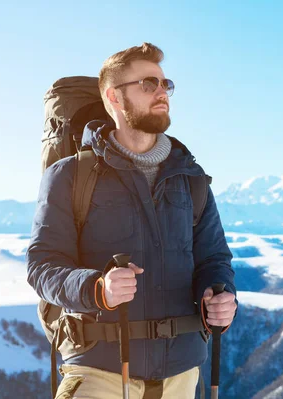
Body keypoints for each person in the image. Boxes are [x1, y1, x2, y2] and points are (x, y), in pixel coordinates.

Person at [26, 42, 238, 399]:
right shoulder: (71, 176)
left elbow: (215, 259)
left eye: (164, 84)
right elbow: (42, 266)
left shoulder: (192, 179)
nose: (161, 92)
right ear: (114, 97)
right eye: (147, 84)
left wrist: (220, 295)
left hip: (182, 373)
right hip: (98, 370)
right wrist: (98, 289)